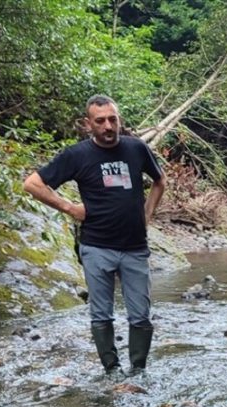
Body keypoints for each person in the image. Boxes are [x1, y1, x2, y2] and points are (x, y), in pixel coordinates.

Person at [24, 94, 166, 375]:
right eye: (100, 121)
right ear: (88, 124)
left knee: (140, 316)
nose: (108, 126)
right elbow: (33, 184)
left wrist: (147, 215)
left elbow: (160, 181)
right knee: (101, 315)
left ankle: (138, 372)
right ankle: (112, 371)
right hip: (96, 247)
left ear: (119, 120)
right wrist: (70, 208)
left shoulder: (136, 148)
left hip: (135, 247)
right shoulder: (76, 155)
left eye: (113, 119)